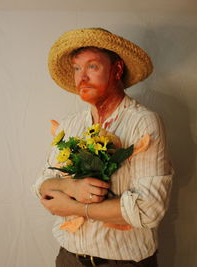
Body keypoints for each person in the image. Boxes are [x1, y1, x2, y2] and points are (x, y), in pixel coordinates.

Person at [32, 28, 173, 267]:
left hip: (123, 262)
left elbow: (149, 208)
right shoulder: (70, 125)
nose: (81, 78)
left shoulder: (143, 122)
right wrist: (69, 185)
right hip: (69, 259)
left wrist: (74, 206)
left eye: (92, 67)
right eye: (77, 68)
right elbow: (42, 185)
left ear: (117, 70)